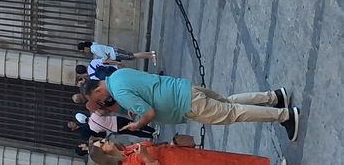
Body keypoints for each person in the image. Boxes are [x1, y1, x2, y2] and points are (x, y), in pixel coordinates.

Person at [82, 69, 300, 141]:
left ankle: (285, 115)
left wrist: (138, 125)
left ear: (99, 91)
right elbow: (146, 89)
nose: (101, 103)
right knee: (228, 101)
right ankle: (273, 97)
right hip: (183, 89)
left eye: (98, 100)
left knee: (233, 113)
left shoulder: (118, 92)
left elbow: (148, 113)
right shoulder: (118, 75)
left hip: (185, 104)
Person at [89, 137, 284, 165]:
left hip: (183, 154)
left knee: (228, 159)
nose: (105, 140)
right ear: (104, 155)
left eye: (102, 139)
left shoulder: (128, 148)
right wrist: (147, 157)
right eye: (102, 144)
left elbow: (154, 145)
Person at [78, 111, 156, 139]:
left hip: (116, 129)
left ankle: (151, 136)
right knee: (135, 124)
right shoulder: (94, 115)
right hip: (117, 120)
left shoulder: (92, 128)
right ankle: (153, 130)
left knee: (134, 133)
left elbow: (101, 131)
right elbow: (104, 112)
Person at [77, 42, 157, 66]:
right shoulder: (93, 45)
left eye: (83, 50)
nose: (85, 52)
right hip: (114, 52)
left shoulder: (94, 49)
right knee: (133, 56)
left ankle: (151, 56)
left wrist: (102, 60)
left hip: (115, 54)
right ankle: (150, 54)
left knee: (133, 56)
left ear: (85, 48)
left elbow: (105, 56)